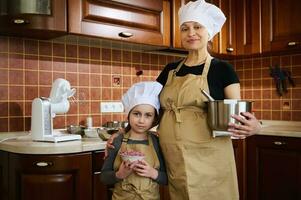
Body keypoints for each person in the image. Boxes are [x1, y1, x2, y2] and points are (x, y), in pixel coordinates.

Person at [107, 0, 261, 199]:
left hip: (210, 158)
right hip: (174, 157)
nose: (191, 33)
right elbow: (149, 110)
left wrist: (257, 126)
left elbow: (238, 114)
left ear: (209, 32)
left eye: (197, 27)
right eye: (185, 28)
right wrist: (122, 132)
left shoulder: (223, 69)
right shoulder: (170, 70)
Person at [100, 81, 168, 200]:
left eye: (148, 115)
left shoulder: (157, 142)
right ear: (128, 115)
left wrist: (153, 173)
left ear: (154, 119)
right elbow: (104, 177)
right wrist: (119, 175)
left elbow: (167, 178)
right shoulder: (117, 141)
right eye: (136, 114)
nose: (141, 120)